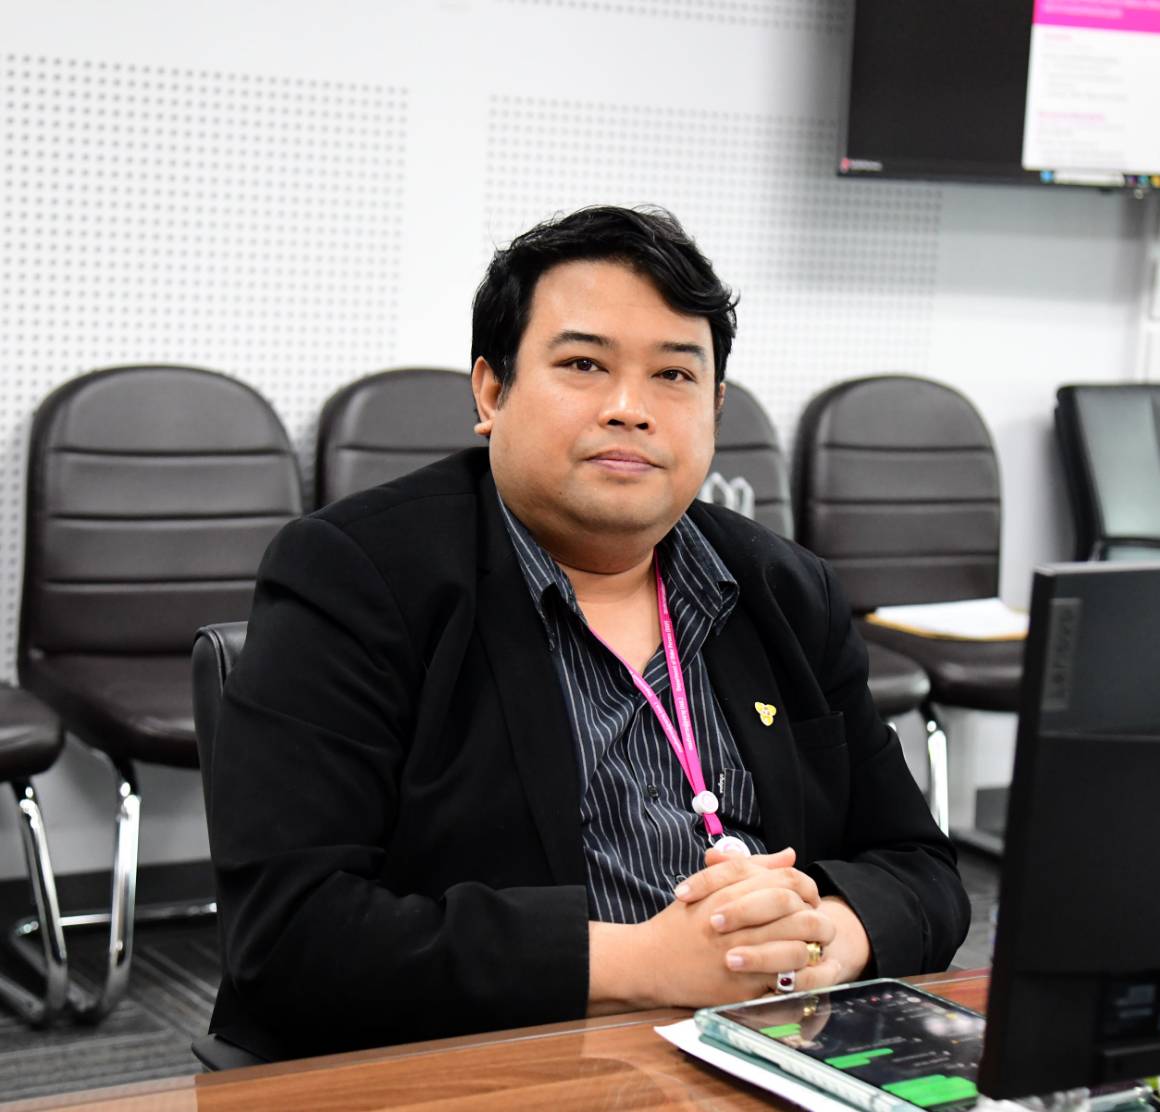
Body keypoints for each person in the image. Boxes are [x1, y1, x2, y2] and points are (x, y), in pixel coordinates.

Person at [206, 205, 969, 1061]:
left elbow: (922, 868)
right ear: (491, 392)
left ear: (714, 408)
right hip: (498, 1062)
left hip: (777, 1041)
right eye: (583, 365)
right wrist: (643, 963)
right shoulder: (355, 575)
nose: (629, 408)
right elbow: (290, 935)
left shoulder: (783, 589)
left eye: (673, 376)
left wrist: (828, 933)